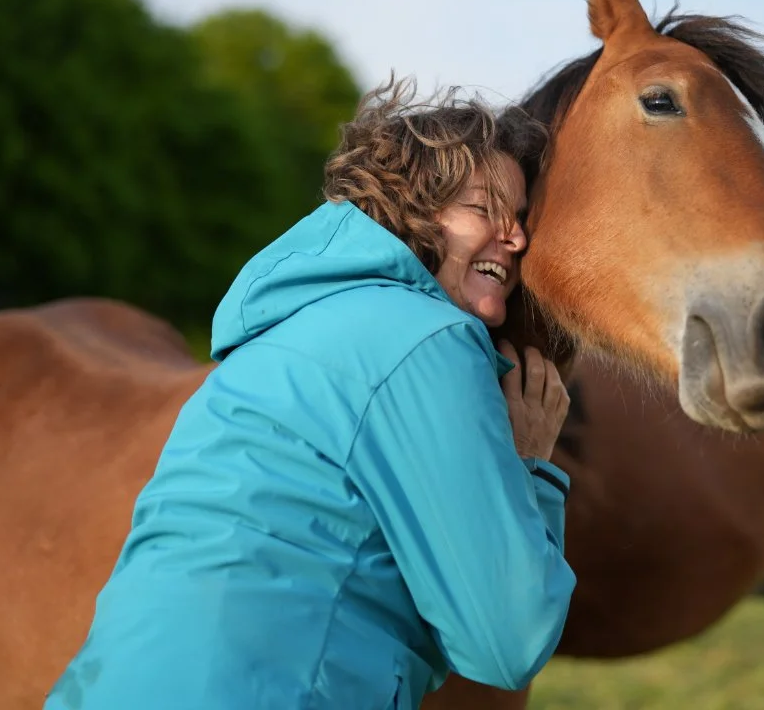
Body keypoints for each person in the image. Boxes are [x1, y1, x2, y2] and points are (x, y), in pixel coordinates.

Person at [44, 75, 577, 709]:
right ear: (411, 207)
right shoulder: (432, 339)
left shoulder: (278, 331)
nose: (515, 238)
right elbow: (505, 642)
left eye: (518, 219)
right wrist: (529, 471)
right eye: (485, 209)